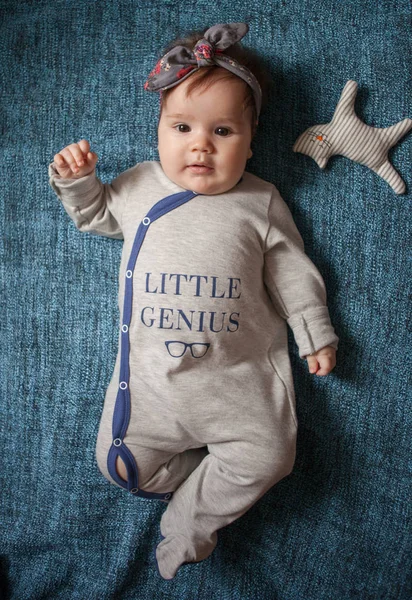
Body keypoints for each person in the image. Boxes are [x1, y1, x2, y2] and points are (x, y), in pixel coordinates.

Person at [48, 23, 338, 580]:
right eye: (181, 127)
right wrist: (80, 181)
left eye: (223, 130)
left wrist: (315, 333)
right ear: (159, 129)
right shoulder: (139, 187)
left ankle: (191, 519)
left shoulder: (261, 201)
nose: (200, 144)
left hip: (240, 385)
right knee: (119, 467)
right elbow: (94, 216)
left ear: (251, 141)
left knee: (272, 458)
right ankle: (197, 474)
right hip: (155, 388)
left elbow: (293, 273)